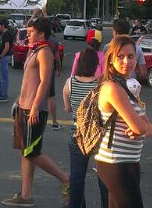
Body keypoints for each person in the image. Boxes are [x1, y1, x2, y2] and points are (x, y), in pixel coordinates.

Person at [2, 16, 70, 207]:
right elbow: (28, 81)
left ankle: (66, 179)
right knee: (25, 152)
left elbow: (45, 82)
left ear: (41, 33)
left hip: (34, 109)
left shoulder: (45, 52)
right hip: (23, 107)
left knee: (32, 152)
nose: (28, 35)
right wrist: (18, 100)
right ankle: (26, 195)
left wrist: (34, 106)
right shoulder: (35, 50)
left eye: (31, 32)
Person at [95, 36, 151, 208]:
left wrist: (142, 128)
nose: (126, 61)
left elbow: (148, 129)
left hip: (130, 160)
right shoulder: (112, 88)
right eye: (120, 56)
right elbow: (141, 127)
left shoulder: (129, 86)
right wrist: (141, 128)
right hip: (115, 162)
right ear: (111, 60)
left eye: (131, 56)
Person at [63, 48, 108, 208]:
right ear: (96, 64)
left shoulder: (70, 83)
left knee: (77, 177)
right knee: (103, 177)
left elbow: (68, 108)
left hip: (77, 133)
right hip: (98, 136)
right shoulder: (102, 84)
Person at [0, 19, 13, 102]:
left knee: (3, 77)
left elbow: (7, 47)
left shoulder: (6, 34)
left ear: (3, 25)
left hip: (4, 57)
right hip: (3, 56)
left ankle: (3, 95)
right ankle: (2, 94)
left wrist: (2, 55)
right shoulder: (5, 33)